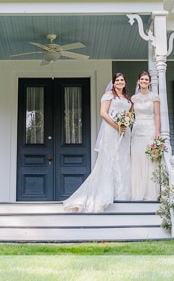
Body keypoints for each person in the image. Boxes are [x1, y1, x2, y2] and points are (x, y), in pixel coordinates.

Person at [62, 72, 133, 212]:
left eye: (122, 80)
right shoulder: (108, 95)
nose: (120, 82)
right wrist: (117, 126)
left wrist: (125, 124)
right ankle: (104, 195)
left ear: (125, 82)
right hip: (112, 131)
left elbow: (129, 114)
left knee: (123, 161)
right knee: (110, 160)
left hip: (124, 132)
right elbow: (103, 113)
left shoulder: (127, 98)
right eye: (117, 80)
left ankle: (122, 194)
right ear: (113, 83)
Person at [130, 70, 162, 201]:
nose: (144, 81)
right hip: (137, 130)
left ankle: (150, 193)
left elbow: (157, 115)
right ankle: (138, 193)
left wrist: (157, 132)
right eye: (142, 79)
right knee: (137, 159)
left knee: (149, 159)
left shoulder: (154, 97)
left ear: (149, 82)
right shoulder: (133, 98)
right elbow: (131, 116)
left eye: (146, 80)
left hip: (149, 129)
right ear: (138, 81)